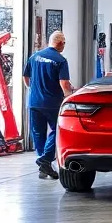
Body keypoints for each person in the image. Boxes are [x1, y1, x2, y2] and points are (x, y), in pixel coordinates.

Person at [24, 31, 73, 179]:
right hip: (52, 103)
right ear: (60, 43)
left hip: (34, 103)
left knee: (38, 133)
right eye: (64, 42)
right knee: (56, 131)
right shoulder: (60, 60)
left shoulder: (34, 57)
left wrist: (32, 90)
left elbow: (26, 77)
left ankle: (43, 166)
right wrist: (69, 97)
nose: (64, 45)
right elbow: (64, 83)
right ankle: (45, 160)